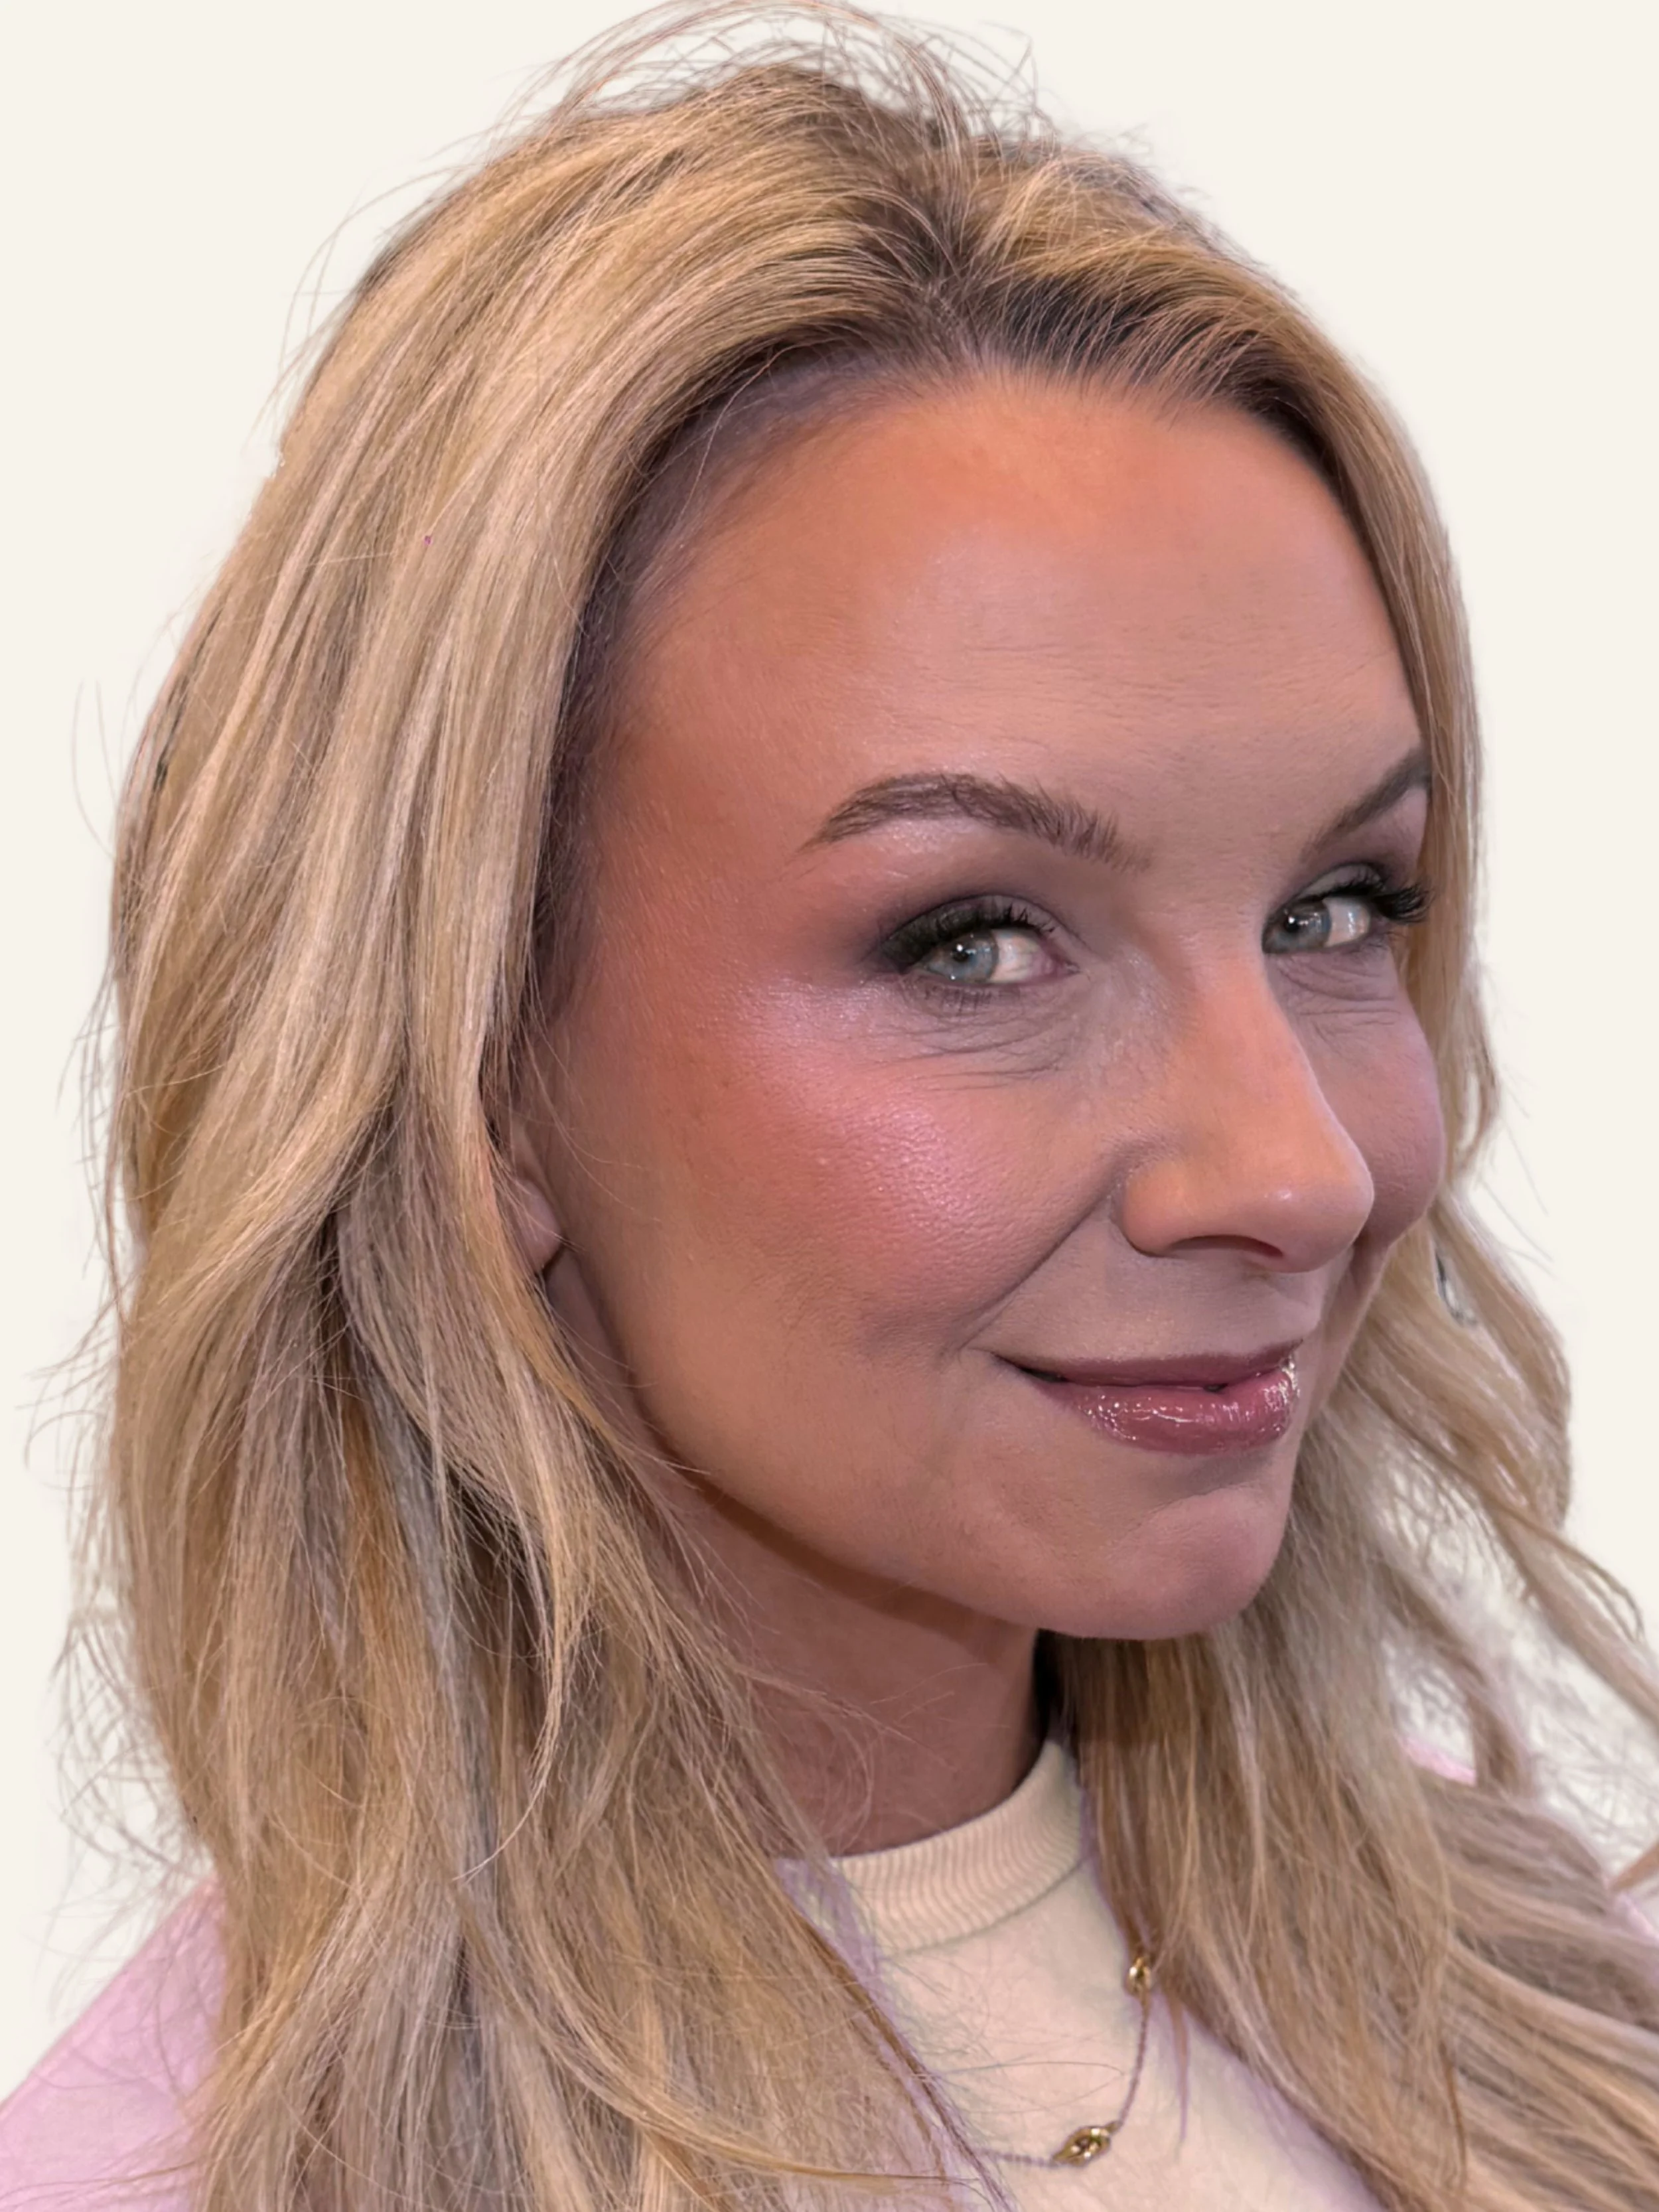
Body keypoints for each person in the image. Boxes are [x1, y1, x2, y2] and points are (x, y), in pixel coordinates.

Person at [5, 3, 1658, 2206]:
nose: (1301, 1163)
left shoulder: (1571, 2021)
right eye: (973, 939)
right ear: (473, 1062)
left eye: (1337, 905)